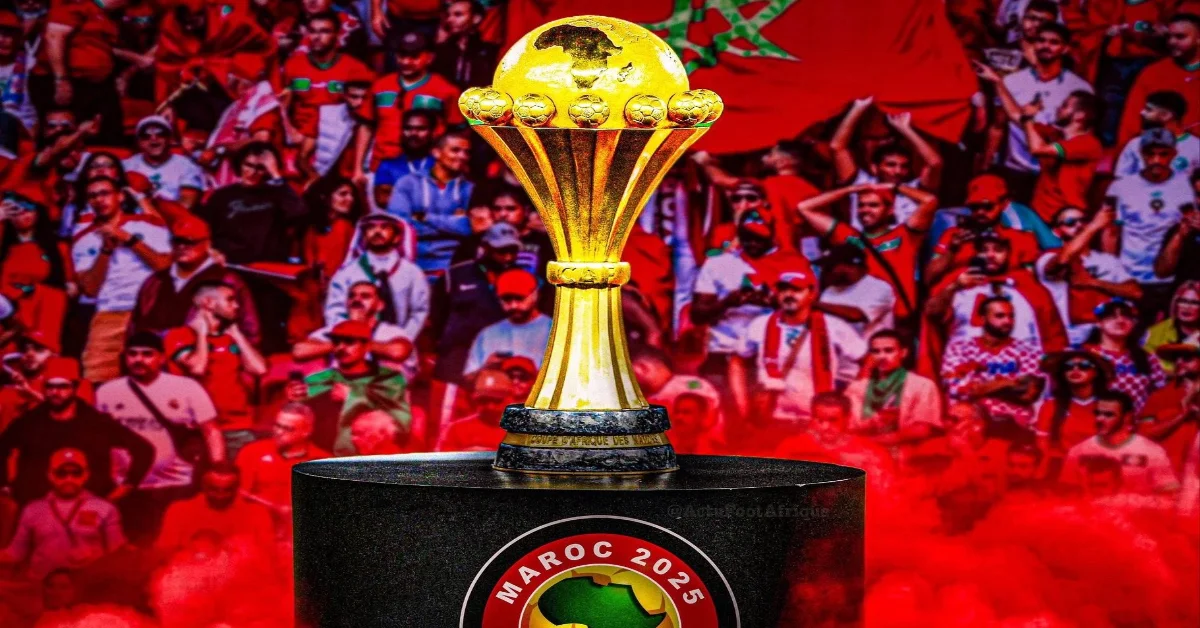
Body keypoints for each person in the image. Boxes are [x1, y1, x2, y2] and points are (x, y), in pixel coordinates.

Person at [95, 332, 224, 544]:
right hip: (128, 487)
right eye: (132, 354)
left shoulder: (187, 388)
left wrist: (218, 469)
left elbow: (211, 431)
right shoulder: (107, 392)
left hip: (176, 485)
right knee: (134, 549)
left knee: (175, 545)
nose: (139, 359)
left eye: (147, 354)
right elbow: (100, 439)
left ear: (161, 358)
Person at [0, 357, 152, 505]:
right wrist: (4, 484)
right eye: (49, 386)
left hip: (89, 508)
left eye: (62, 387)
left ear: (75, 387)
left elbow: (143, 449)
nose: (55, 392)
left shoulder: (96, 422)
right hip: (36, 507)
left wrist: (127, 486)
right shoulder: (30, 421)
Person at [692, 210, 813, 394]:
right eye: (747, 237)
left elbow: (809, 312)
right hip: (723, 350)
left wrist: (775, 303)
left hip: (769, 354)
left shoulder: (792, 264)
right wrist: (727, 302)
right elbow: (697, 315)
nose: (753, 243)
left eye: (759, 238)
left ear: (772, 235)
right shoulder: (718, 264)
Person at [796, 180, 938, 328]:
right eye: (861, 205)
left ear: (890, 210)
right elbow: (804, 207)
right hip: (858, 318)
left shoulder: (905, 235)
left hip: (898, 321)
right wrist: (850, 190)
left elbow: (930, 201)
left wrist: (894, 187)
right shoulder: (848, 236)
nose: (865, 210)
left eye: (873, 205)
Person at [71, 175, 172, 381]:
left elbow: (164, 265)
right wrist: (105, 251)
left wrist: (129, 239)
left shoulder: (148, 224)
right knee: (95, 379)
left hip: (149, 311)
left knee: (153, 380)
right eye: (93, 196)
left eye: (105, 193)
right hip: (109, 312)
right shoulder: (83, 237)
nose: (99, 200)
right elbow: (90, 289)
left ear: (120, 196)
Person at [732, 270, 866, 424]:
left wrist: (851, 396)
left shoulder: (833, 326)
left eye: (797, 290)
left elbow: (868, 359)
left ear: (812, 294)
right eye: (783, 289)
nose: (789, 295)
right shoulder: (760, 324)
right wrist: (742, 405)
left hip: (817, 419)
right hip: (772, 417)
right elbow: (737, 360)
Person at [979, 61, 1102, 223]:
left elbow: (1037, 149)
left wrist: (1029, 118)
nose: (1058, 108)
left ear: (1080, 116)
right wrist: (997, 81)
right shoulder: (1055, 134)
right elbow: (1016, 115)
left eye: (1065, 106)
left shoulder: (1088, 144)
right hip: (1040, 214)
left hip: (1063, 219)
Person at [986, 22, 1093, 202]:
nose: (1046, 46)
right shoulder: (1011, 82)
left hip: (1053, 174)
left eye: (1054, 42)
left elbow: (1083, 138)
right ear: (1033, 45)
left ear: (1065, 48)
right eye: (1041, 40)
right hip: (1015, 170)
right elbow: (998, 126)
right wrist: (987, 166)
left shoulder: (1079, 89)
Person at [163, 281, 268, 457]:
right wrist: (202, 334)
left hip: (238, 426)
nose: (237, 305)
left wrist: (237, 335)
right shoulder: (179, 335)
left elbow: (260, 369)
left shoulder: (231, 337)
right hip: (198, 429)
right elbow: (198, 368)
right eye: (230, 300)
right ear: (208, 303)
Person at [1102, 128, 1194, 322]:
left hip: (1170, 277)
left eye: (1163, 154)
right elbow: (1111, 231)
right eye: (1150, 154)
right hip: (1131, 275)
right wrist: (1112, 272)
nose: (1156, 160)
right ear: (1141, 154)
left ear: (1174, 154)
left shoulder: (1186, 186)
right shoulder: (1121, 186)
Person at [925, 230, 1067, 353]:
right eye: (984, 250)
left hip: (1020, 364)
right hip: (967, 364)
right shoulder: (960, 280)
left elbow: (1053, 333)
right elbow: (932, 314)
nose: (990, 255)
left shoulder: (1028, 285)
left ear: (1008, 253)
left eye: (998, 250)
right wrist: (955, 286)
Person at [128, 216, 260, 345]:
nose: (182, 247)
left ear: (207, 244)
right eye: (177, 241)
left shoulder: (227, 280)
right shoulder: (155, 281)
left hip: (207, 355)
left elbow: (250, 330)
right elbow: (134, 326)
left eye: (190, 242)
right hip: (154, 356)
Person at [353, 30, 464, 182]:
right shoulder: (380, 86)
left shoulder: (446, 90)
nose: (406, 61)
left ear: (430, 58)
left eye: (414, 57)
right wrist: (358, 168)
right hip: (382, 167)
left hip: (428, 170)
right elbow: (366, 127)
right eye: (402, 56)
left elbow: (457, 134)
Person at [0, 449, 125, 580]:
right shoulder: (33, 510)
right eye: (61, 473)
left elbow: (117, 554)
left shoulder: (105, 509)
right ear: (50, 475)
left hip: (87, 586)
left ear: (86, 475)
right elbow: (16, 553)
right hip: (42, 586)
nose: (69, 479)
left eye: (76, 473)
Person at [281, 11, 373, 175]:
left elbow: (367, 109)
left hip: (338, 140)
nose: (317, 37)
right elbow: (281, 104)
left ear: (337, 35)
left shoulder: (355, 68)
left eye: (324, 31)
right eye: (313, 31)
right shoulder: (293, 65)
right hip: (300, 137)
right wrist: (291, 131)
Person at [830, 99, 943, 229]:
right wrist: (859, 107)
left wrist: (905, 129)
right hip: (861, 241)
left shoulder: (915, 189)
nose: (898, 171)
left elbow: (935, 163)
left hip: (904, 242)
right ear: (874, 168)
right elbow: (837, 147)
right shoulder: (862, 183)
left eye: (904, 166)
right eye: (891, 165)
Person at [304, 319, 411, 456]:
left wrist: (353, 396)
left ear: (366, 346)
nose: (341, 348)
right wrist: (293, 397)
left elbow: (399, 426)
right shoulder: (319, 379)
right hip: (319, 457)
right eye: (336, 342)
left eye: (349, 342)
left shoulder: (389, 379)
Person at [941, 296, 1045, 435]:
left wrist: (980, 388)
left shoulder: (1027, 350)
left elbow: (1029, 393)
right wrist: (1009, 383)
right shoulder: (959, 348)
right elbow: (957, 389)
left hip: (1015, 425)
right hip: (970, 424)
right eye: (1000, 316)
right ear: (982, 319)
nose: (1007, 321)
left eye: (1011, 316)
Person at [28, 0, 125, 144]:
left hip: (94, 86)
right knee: (59, 134)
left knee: (102, 132)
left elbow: (103, 48)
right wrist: (61, 79)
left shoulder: (107, 16)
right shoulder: (78, 5)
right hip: (64, 81)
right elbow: (54, 37)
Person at [926, 174, 1045, 286]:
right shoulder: (953, 235)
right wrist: (951, 251)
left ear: (1004, 203)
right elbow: (928, 279)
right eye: (974, 207)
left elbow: (1030, 285)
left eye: (988, 206)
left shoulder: (1022, 239)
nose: (980, 212)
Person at [324, 212, 427, 336]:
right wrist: (352, 337)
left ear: (397, 237)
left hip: (400, 342)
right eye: (371, 227)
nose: (377, 231)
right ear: (364, 237)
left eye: (384, 227)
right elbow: (334, 311)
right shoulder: (346, 274)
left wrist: (402, 339)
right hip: (356, 342)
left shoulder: (412, 273)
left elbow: (419, 312)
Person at [386, 131, 474, 274]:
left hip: (455, 264)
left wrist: (424, 217)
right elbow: (400, 226)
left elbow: (469, 227)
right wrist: (453, 223)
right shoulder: (407, 183)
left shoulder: (471, 189)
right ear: (436, 153)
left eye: (467, 152)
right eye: (455, 150)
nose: (462, 156)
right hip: (413, 262)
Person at [1062, 391, 1180, 495]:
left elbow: (1168, 494)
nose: (1100, 419)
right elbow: (1067, 495)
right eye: (1097, 413)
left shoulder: (1151, 451)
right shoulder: (1078, 451)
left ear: (1127, 417)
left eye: (1108, 415)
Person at [299, 280, 418, 379]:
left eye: (365, 296)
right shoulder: (335, 329)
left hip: (380, 394)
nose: (356, 300)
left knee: (391, 365)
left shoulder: (391, 332)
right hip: (340, 391)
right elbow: (299, 351)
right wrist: (341, 343)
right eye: (352, 296)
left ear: (380, 305)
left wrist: (357, 343)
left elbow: (398, 352)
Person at [1116, 13, 1200, 150]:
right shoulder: (1152, 73)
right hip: (1160, 151)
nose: (1172, 42)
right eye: (1169, 37)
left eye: (1180, 37)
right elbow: (1131, 121)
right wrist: (1127, 150)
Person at [846, 330, 943, 446]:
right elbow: (848, 427)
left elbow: (922, 430)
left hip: (907, 449)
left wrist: (873, 441)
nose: (882, 356)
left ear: (903, 353)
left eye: (889, 350)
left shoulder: (922, 385)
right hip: (863, 451)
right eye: (876, 351)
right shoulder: (856, 388)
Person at [235, 403, 330, 520]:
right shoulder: (252, 451)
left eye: (287, 429)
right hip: (257, 521)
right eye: (277, 426)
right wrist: (274, 508)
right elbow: (239, 493)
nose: (279, 432)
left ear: (306, 432)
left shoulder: (322, 462)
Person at [157, 461, 275, 553]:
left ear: (237, 488)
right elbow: (166, 551)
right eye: (214, 489)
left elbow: (267, 552)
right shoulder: (180, 510)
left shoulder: (256, 512)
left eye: (227, 490)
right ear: (203, 486)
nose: (220, 496)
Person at [463, 268, 551, 381]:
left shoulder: (555, 331)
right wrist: (486, 367)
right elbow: (468, 379)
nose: (513, 305)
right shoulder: (488, 334)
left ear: (535, 295)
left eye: (520, 298)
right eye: (507, 300)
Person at [1036, 349, 1115, 474]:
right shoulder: (1051, 406)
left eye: (1084, 366)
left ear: (1096, 373)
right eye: (1068, 367)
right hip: (1062, 470)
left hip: (1101, 471)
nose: (1075, 369)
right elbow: (1042, 445)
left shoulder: (1111, 406)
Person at [451, 185, 553, 279]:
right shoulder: (477, 241)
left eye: (511, 209)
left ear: (526, 211)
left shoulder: (543, 241)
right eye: (497, 209)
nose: (503, 214)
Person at [1083, 298, 1168, 411]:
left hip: (1137, 420)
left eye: (1127, 316)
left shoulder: (1147, 358)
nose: (1120, 321)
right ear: (1099, 323)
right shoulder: (1085, 354)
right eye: (1112, 317)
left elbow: (1161, 393)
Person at [1139, 339, 1200, 472]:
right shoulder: (1160, 395)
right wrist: (1181, 416)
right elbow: (1145, 434)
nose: (1179, 362)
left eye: (1187, 358)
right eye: (1175, 359)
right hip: (1169, 472)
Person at [121, 115, 205, 207]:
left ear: (170, 139)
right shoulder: (126, 165)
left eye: (160, 134)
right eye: (146, 136)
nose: (153, 139)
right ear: (139, 142)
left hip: (171, 214)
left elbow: (186, 204)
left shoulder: (187, 166)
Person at [816, 243, 896, 340]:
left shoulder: (879, 287)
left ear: (849, 267)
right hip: (840, 347)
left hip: (872, 347)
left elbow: (856, 315)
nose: (824, 271)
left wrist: (812, 303)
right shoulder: (830, 290)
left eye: (829, 267)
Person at [1114, 91, 1199, 179]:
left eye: (1149, 109)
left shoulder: (1196, 146)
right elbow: (1120, 179)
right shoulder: (1135, 143)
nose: (1142, 112)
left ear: (1166, 115)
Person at [372, 109, 437, 205]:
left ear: (433, 133)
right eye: (408, 128)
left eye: (421, 129)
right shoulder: (388, 165)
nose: (413, 133)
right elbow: (383, 199)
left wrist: (400, 194)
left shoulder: (441, 165)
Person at [434, 369, 511, 452]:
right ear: (475, 400)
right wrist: (468, 455)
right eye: (484, 400)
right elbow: (442, 458)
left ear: (508, 399)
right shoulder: (456, 429)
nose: (490, 407)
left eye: (496, 400)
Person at [432, 0, 498, 89]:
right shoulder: (442, 51)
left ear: (476, 18)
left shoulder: (489, 51)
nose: (449, 20)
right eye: (448, 15)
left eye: (458, 15)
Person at [1142, 281, 1200, 373]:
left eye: (1195, 303)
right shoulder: (1156, 332)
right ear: (1176, 303)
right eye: (1183, 301)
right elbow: (1146, 366)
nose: (1187, 307)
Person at [1154, 170, 1200, 285]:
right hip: (1186, 294)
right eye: (1199, 195)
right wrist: (1179, 236)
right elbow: (1162, 272)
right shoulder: (1182, 228)